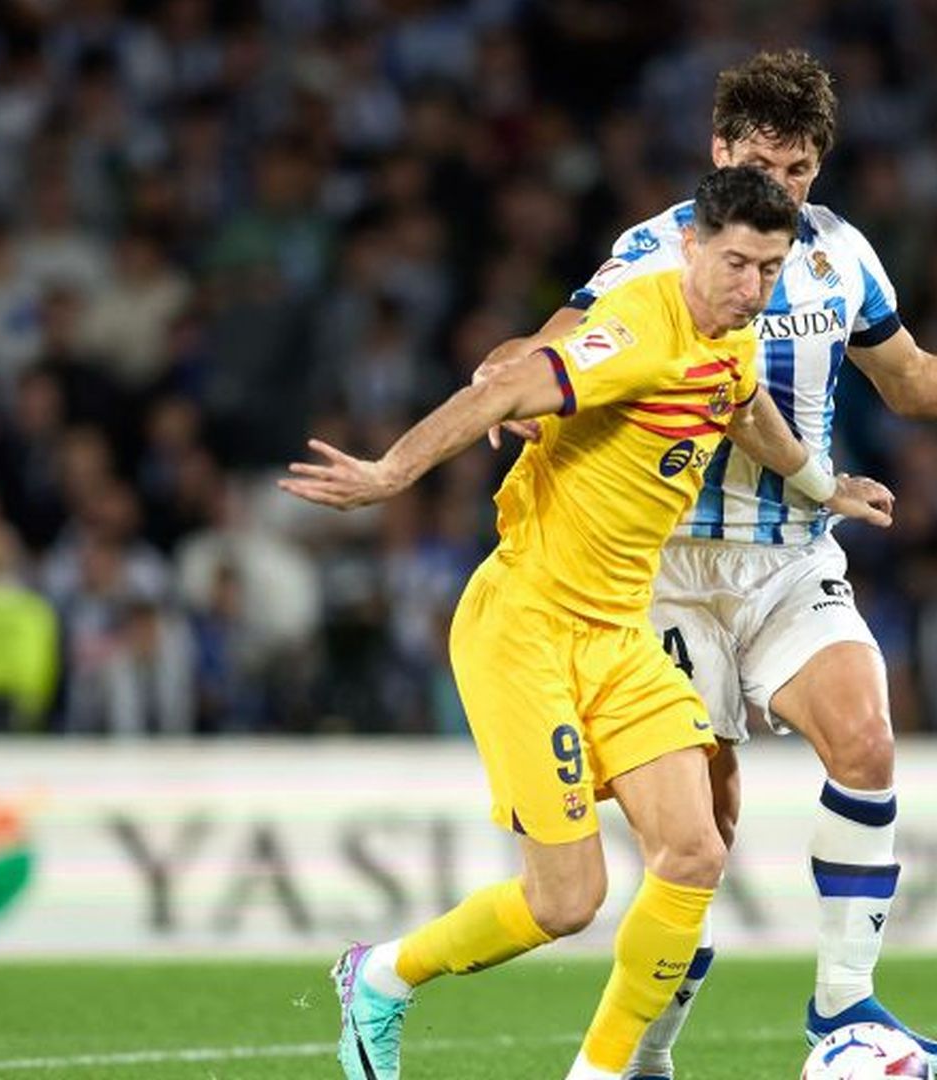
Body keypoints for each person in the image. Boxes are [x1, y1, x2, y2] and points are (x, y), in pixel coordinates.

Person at [484, 50, 937, 1077]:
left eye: (802, 169)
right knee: (700, 832)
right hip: (667, 567)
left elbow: (914, 381)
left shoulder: (841, 255)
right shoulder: (658, 249)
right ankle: (645, 1055)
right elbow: (565, 338)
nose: (786, 188)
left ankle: (845, 1010)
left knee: (866, 738)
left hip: (790, 558)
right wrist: (508, 371)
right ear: (720, 153)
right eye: (766, 163)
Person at [279, 166, 896, 1080]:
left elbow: (752, 417)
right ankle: (379, 976)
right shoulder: (637, 328)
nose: (751, 287)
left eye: (768, 269)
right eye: (734, 263)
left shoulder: (732, 340)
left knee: (694, 849)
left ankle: (603, 1074)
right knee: (567, 900)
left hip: (616, 636)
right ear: (692, 245)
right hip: (524, 626)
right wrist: (387, 474)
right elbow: (501, 389)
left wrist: (821, 488)